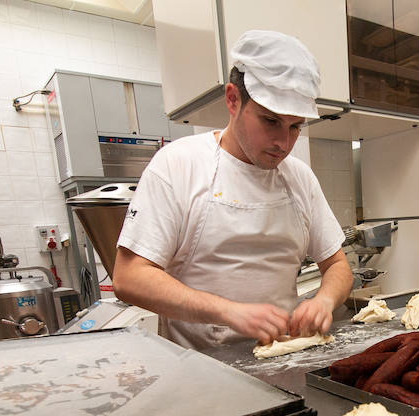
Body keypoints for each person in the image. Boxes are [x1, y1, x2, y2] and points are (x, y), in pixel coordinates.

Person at [113, 30, 353, 350]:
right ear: (232, 99)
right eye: (270, 121)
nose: (284, 143)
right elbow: (129, 278)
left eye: (295, 127)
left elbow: (338, 266)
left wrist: (324, 300)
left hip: (285, 360)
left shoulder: (300, 178)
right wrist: (228, 311)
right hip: (201, 372)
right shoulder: (178, 165)